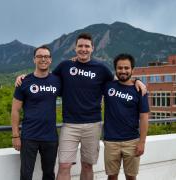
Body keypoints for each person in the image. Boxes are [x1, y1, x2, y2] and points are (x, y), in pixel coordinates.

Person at [15, 33, 146, 180]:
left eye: (87, 46)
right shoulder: (65, 65)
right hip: (69, 125)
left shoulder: (101, 69)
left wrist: (136, 81)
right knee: (64, 165)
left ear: (92, 48)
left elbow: (120, 80)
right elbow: (45, 75)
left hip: (93, 124)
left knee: (87, 165)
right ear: (75, 48)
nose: (83, 49)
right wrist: (25, 77)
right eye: (80, 46)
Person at [11, 45, 61, 180]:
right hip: (29, 137)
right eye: (39, 56)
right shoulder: (24, 82)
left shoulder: (57, 81)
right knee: (26, 175)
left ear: (50, 60)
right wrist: (15, 136)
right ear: (34, 59)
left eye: (46, 56)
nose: (43, 59)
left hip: (50, 137)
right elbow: (15, 110)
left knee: (49, 174)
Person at [103, 53, 149, 180]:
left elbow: (144, 117)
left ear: (132, 70)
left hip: (132, 141)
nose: (123, 71)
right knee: (112, 177)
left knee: (131, 177)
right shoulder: (108, 86)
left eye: (126, 68)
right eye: (120, 68)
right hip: (111, 141)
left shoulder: (141, 91)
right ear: (115, 69)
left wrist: (142, 142)